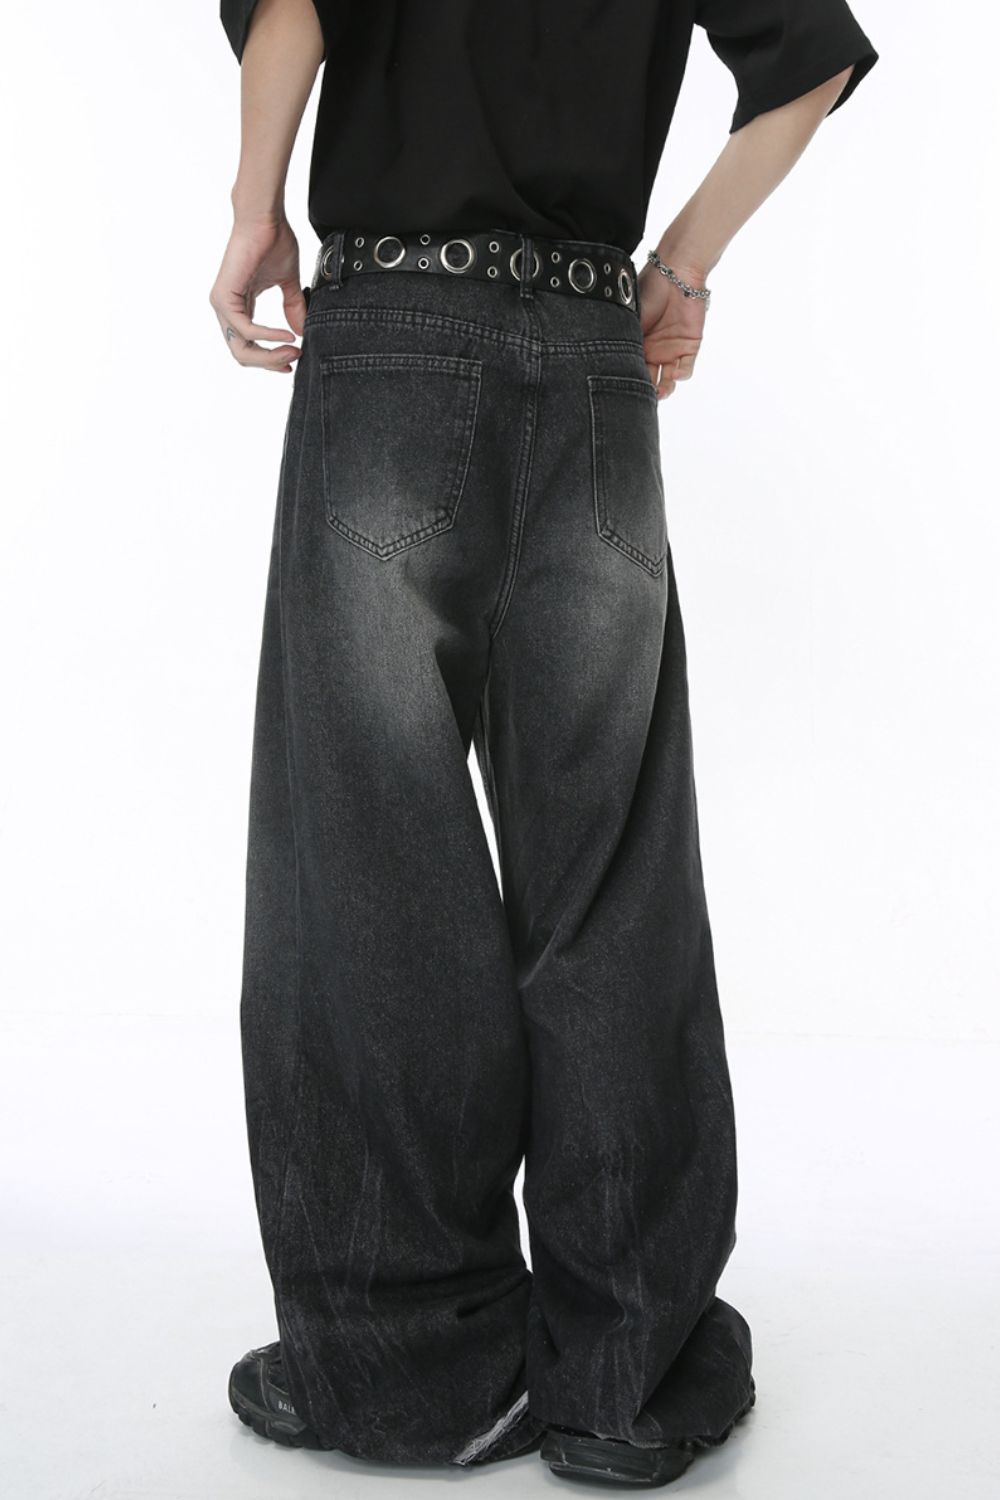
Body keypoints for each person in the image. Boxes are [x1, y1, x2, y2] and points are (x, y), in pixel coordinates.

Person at [210, 0, 878, 1486]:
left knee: (369, 860)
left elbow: (296, 9)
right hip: (587, 357)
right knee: (612, 876)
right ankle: (626, 1370)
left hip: (388, 342)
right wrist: (679, 266)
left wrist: (255, 210)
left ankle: (411, 1362)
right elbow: (812, 57)